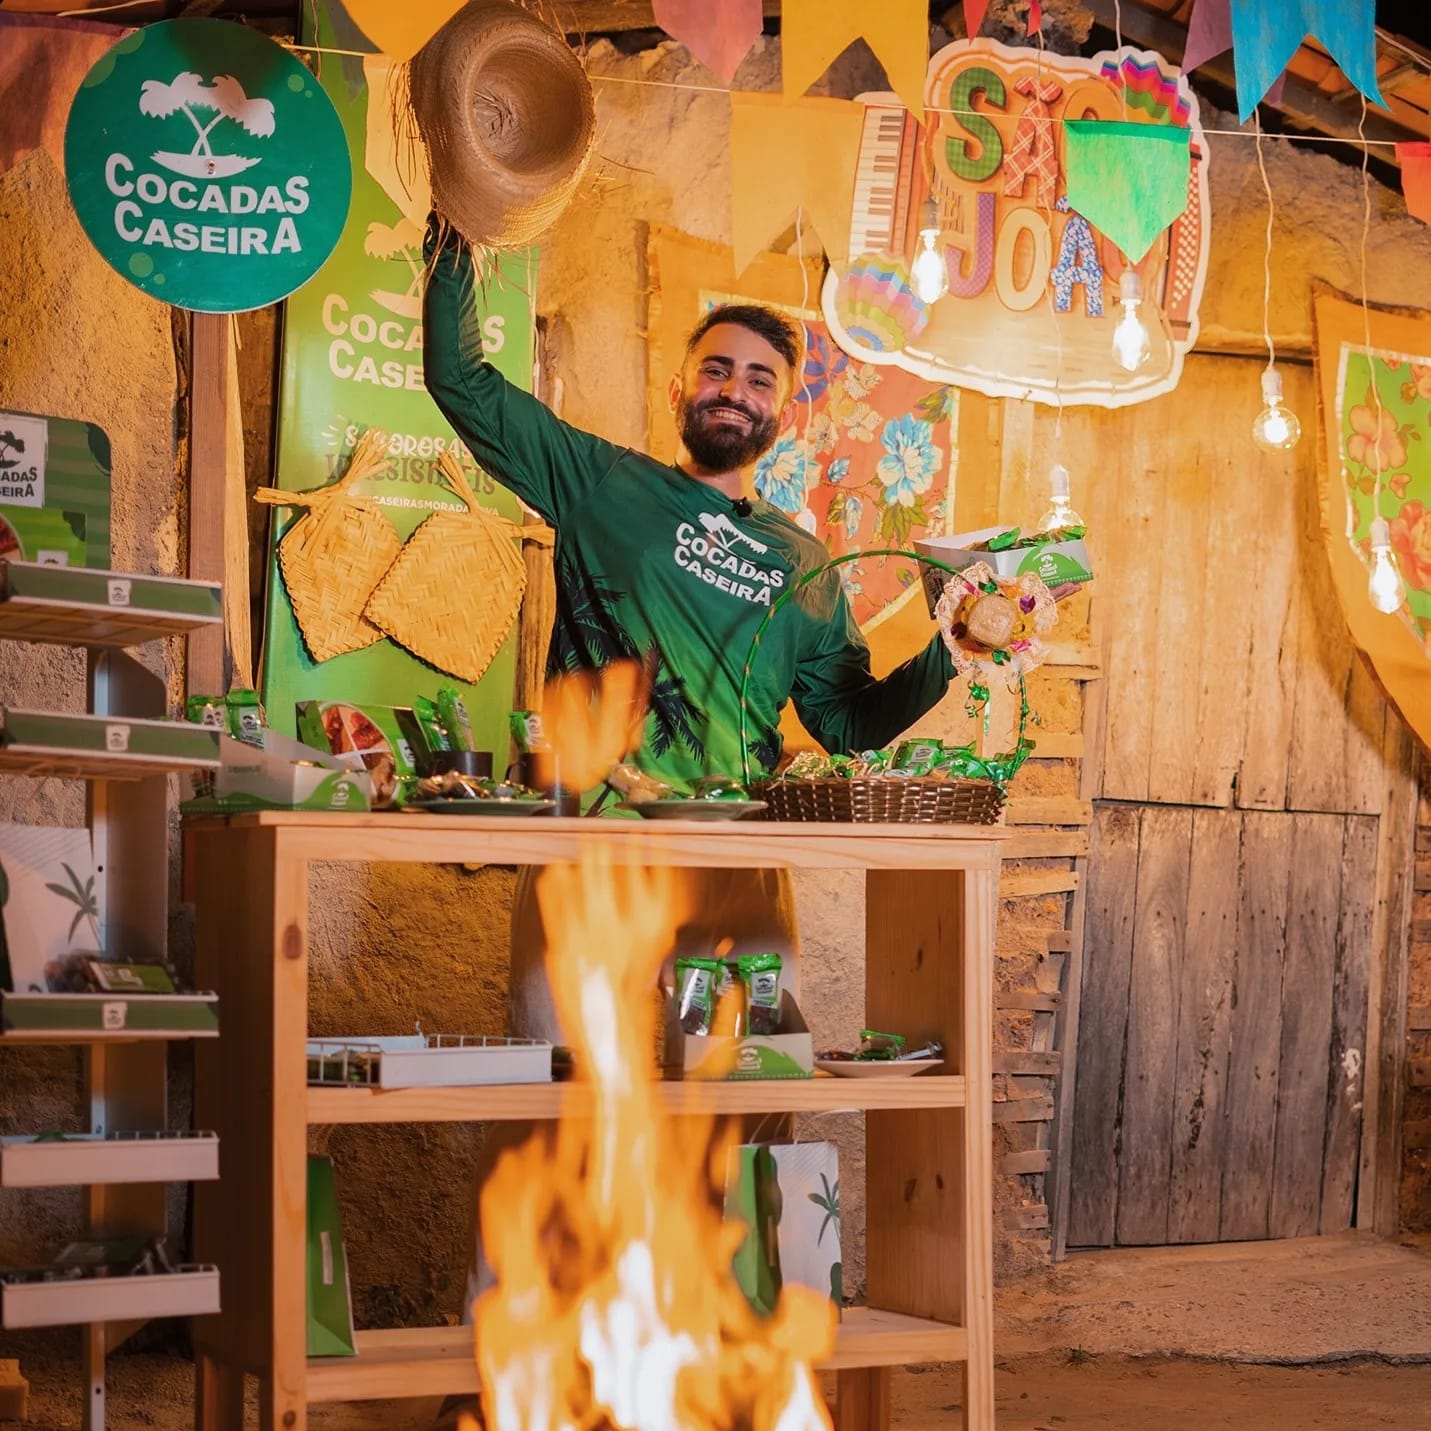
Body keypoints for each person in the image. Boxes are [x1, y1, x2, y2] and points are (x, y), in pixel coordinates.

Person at [422, 219, 958, 1425]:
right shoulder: (600, 483)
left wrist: (953, 648)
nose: (735, 388)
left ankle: (725, 1389)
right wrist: (460, 229)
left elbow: (849, 722)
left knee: (739, 1123)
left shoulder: (804, 564)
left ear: (785, 414)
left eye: (760, 378)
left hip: (739, 879)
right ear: (682, 388)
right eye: (717, 368)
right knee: (554, 1115)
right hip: (591, 862)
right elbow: (457, 379)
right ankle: (517, 1391)